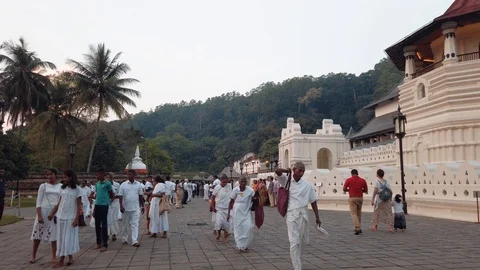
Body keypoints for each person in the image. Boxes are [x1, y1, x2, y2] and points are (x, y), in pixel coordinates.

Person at [275, 162, 321, 270]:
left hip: (303, 215)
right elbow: (277, 171)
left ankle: (296, 257)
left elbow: (313, 201)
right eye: (299, 170)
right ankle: (297, 266)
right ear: (294, 169)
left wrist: (317, 217)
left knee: (304, 241)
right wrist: (286, 171)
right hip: (292, 215)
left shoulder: (307, 185)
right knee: (294, 242)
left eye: (303, 171)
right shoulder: (286, 181)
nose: (302, 172)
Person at [50, 170, 81, 268]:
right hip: (60, 216)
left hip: (71, 217)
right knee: (61, 238)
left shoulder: (77, 189)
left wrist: (77, 218)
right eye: (63, 177)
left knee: (67, 238)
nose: (63, 179)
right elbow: (59, 202)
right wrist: (53, 213)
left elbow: (79, 205)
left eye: (65, 177)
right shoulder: (62, 189)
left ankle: (62, 259)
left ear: (70, 177)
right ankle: (70, 257)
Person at [30, 168, 62, 265]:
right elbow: (38, 201)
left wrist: (55, 211)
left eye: (51, 174)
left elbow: (61, 200)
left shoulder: (61, 186)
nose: (49, 176)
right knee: (38, 235)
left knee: (54, 235)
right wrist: (39, 215)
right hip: (44, 210)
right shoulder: (43, 186)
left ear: (55, 175)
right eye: (47, 175)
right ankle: (33, 255)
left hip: (55, 211)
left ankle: (54, 256)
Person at [228, 176, 255, 252]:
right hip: (237, 212)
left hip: (246, 211)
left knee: (248, 227)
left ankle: (245, 244)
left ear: (246, 182)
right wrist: (228, 214)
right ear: (239, 182)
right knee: (238, 228)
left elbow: (255, 199)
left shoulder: (250, 190)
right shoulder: (235, 190)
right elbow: (231, 201)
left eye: (244, 181)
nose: (243, 183)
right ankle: (240, 245)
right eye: (241, 181)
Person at [118, 169, 145, 247]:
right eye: (128, 174)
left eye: (130, 174)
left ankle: (134, 240)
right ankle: (124, 238)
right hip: (126, 208)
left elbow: (140, 196)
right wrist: (121, 205)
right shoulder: (123, 184)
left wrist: (142, 206)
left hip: (136, 207)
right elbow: (120, 196)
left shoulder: (138, 185)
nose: (129, 175)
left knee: (135, 224)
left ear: (134, 175)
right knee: (125, 224)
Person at [93, 169, 113, 252]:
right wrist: (94, 208)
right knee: (97, 225)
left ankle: (105, 244)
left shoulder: (107, 183)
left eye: (98, 175)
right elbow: (97, 195)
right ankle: (98, 242)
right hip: (97, 205)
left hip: (104, 205)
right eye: (96, 175)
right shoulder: (97, 184)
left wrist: (107, 201)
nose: (97, 176)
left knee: (104, 224)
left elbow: (111, 193)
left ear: (102, 175)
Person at [343, 169, 368, 235]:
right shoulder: (363, 180)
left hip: (352, 198)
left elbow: (344, 189)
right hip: (360, 198)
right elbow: (365, 190)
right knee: (359, 213)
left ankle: (357, 227)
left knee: (353, 213)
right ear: (357, 173)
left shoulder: (348, 180)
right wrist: (359, 190)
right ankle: (358, 227)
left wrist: (350, 190)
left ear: (351, 174)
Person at [210, 175, 232, 242]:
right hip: (218, 208)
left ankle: (225, 237)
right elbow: (213, 198)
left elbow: (232, 196)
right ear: (220, 181)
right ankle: (218, 234)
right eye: (223, 182)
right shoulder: (217, 187)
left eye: (226, 182)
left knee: (226, 224)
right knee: (219, 223)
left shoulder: (229, 186)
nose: (224, 184)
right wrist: (212, 207)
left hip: (227, 208)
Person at [106, 172, 121, 241]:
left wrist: (113, 197)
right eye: (106, 177)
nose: (107, 179)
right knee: (108, 219)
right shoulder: (104, 185)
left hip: (115, 204)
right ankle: (107, 234)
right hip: (106, 204)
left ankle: (114, 233)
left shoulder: (117, 185)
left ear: (112, 178)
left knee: (114, 219)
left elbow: (119, 194)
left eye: (108, 177)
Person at [0, 168, 5, 234]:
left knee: (0, 215)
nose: (2, 173)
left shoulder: (3, 181)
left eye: (3, 172)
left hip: (2, 200)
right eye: (0, 172)